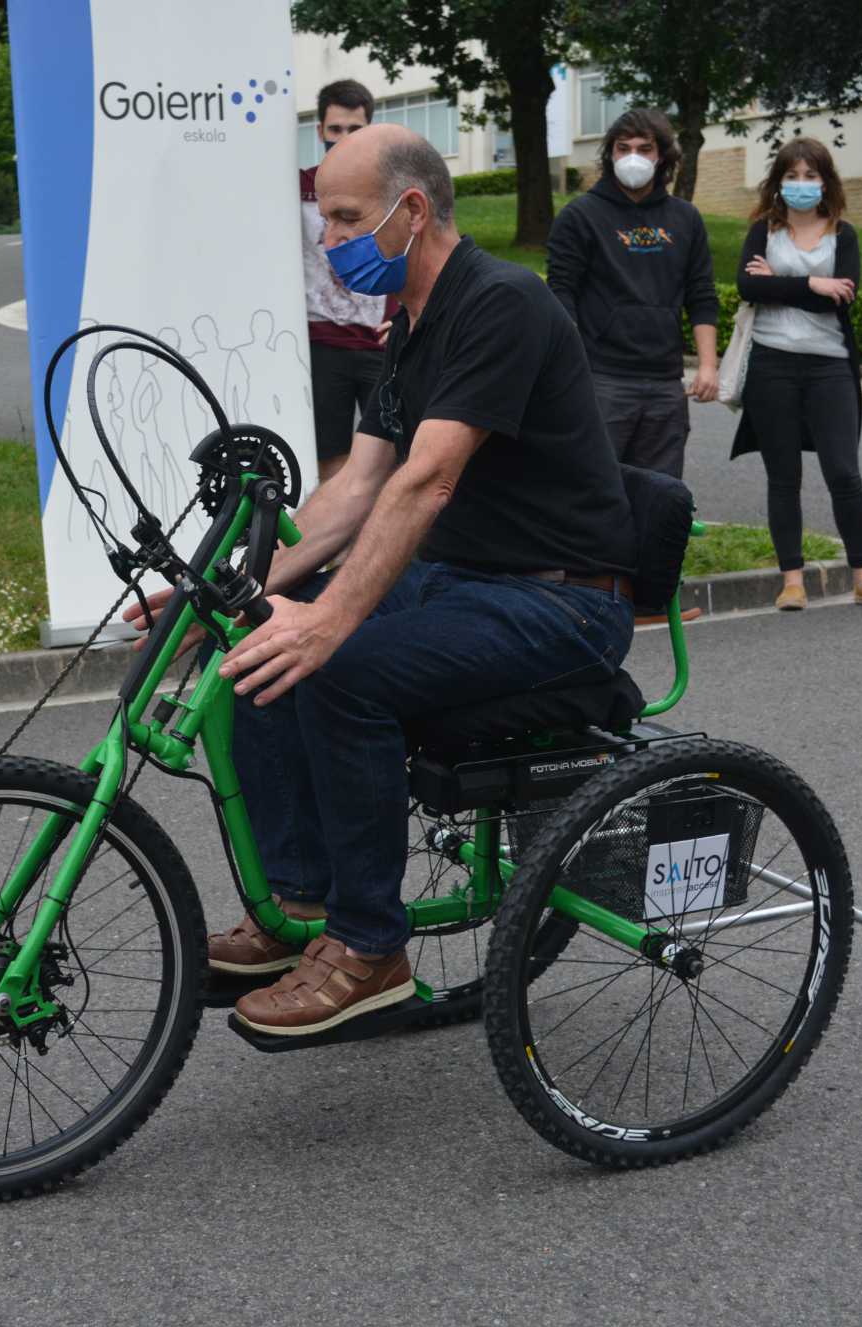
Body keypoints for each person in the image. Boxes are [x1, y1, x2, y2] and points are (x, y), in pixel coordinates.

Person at [129, 124, 639, 1036]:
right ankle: (306, 905)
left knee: (330, 665)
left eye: (343, 218)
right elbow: (357, 486)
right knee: (263, 647)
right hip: (465, 580)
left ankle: (372, 946)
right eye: (323, 220)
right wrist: (228, 596)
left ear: (411, 211)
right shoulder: (407, 323)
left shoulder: (501, 304)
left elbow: (425, 479)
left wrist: (328, 626)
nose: (329, 242)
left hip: (561, 601)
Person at [732, 138, 862, 612]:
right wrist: (811, 283)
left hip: (829, 367)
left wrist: (777, 285)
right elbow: (745, 284)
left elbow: (842, 296)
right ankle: (792, 580)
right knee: (783, 476)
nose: (801, 185)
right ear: (777, 182)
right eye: (791, 176)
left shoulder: (843, 234)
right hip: (771, 364)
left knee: (843, 471)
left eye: (810, 175)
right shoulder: (764, 230)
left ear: (825, 181)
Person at [545, 106, 720, 479]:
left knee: (660, 499)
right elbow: (561, 294)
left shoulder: (686, 219)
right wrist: (570, 369)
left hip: (666, 384)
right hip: (602, 380)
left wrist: (708, 366)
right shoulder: (580, 216)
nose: (633, 158)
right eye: (623, 148)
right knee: (594, 492)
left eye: (644, 148)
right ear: (610, 155)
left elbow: (701, 294)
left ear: (662, 156)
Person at [300, 79, 391, 483]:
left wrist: (408, 317)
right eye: (335, 129)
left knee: (389, 457)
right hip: (322, 344)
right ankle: (338, 548)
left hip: (382, 343)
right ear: (320, 131)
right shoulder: (297, 189)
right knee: (332, 457)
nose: (344, 138)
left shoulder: (392, 190)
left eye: (354, 129)